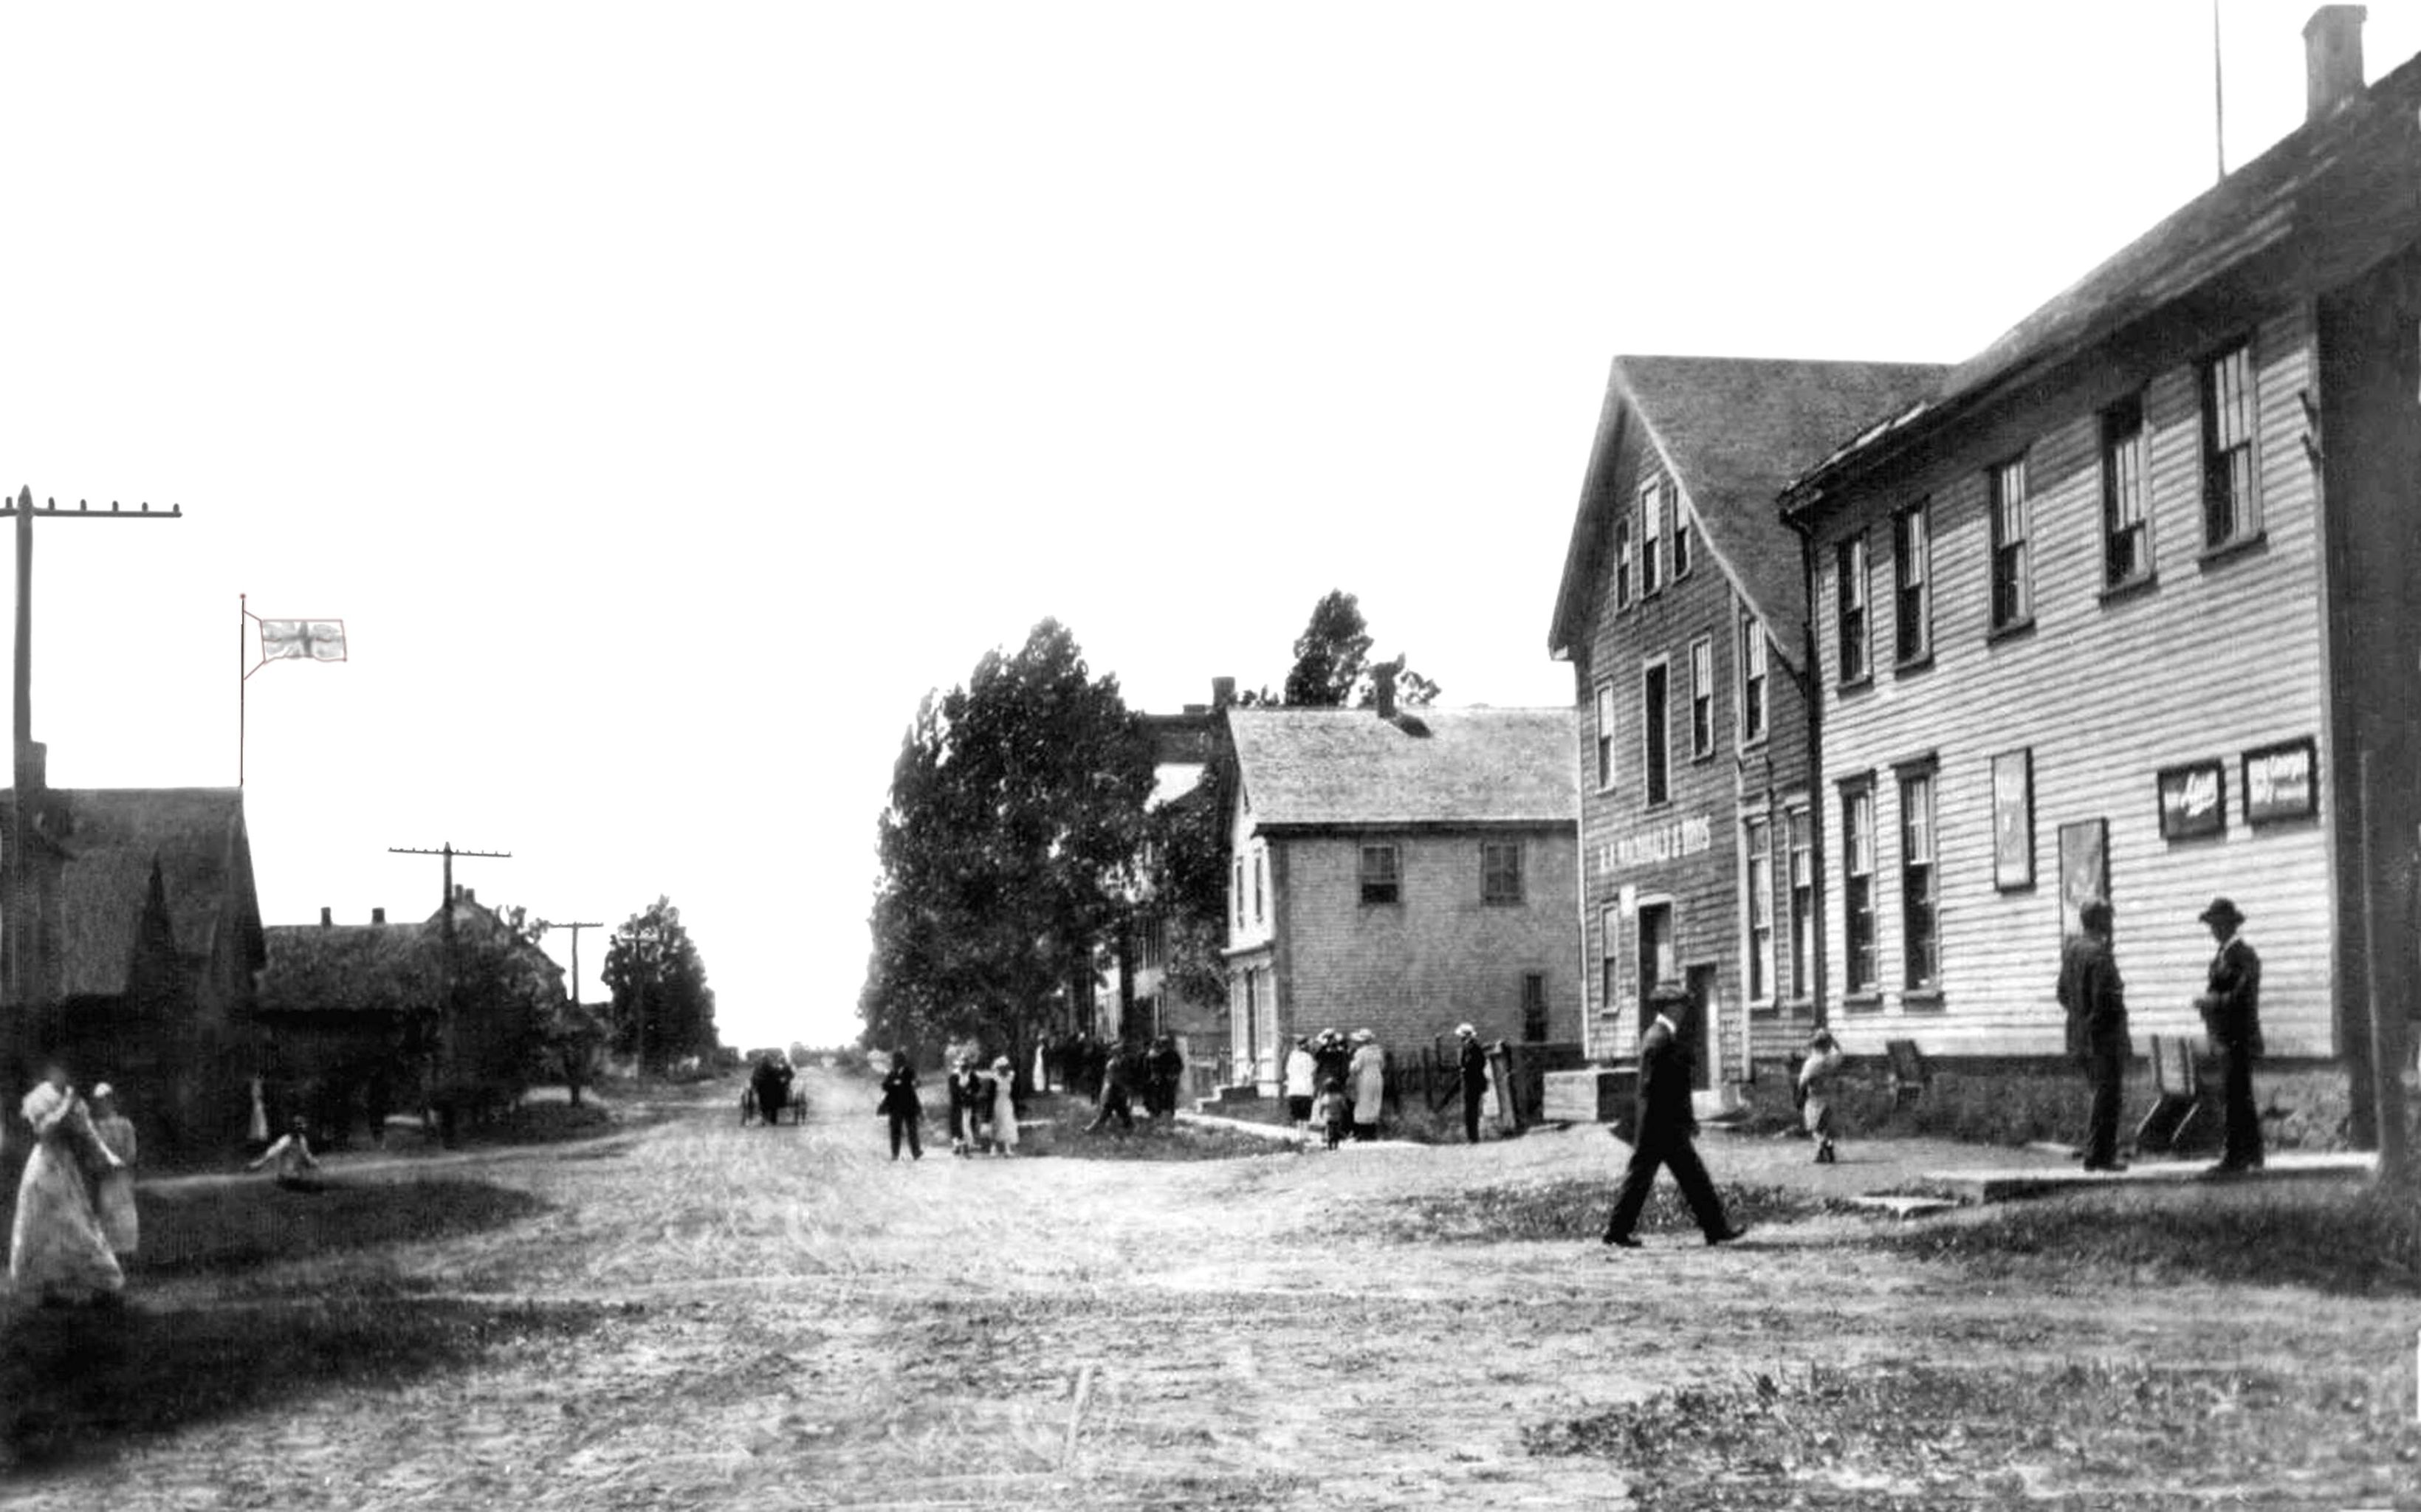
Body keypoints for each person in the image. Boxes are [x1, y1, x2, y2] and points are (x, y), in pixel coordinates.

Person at [1601, 988, 1745, 1248]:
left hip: (1659, 1125)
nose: (1684, 1009)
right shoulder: (1660, 1039)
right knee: (1664, 1178)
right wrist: (1683, 1119)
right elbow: (1660, 1087)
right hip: (1661, 1125)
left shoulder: (1661, 1036)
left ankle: (1715, 1229)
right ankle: (1616, 1232)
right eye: (1680, 1005)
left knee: (1685, 1177)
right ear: (1668, 1008)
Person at [9, 1065, 126, 1306]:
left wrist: (107, 1156)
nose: (62, 1074)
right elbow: (44, 1130)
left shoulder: (75, 1100)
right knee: (42, 1228)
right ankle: (48, 1287)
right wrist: (65, 1105)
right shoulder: (40, 1097)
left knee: (77, 1223)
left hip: (65, 1167)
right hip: (43, 1167)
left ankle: (103, 1284)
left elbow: (88, 1132)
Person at [2057, 897, 2130, 1172]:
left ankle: (2097, 1153)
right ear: (2098, 921)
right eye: (2108, 919)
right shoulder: (2099, 954)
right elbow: (2104, 1000)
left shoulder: (2073, 951)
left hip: (2078, 1037)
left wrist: (2079, 1016)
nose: (2111, 924)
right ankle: (2100, 1155)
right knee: (2108, 1095)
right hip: (2102, 1038)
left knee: (2098, 1093)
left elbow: (2062, 993)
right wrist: (2098, 1023)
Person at [2194, 897, 2264, 1174]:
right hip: (2224, 1036)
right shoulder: (2222, 955)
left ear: (2228, 926)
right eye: (2211, 925)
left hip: (2239, 1036)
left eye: (2216, 925)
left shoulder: (2243, 956)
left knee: (2237, 1096)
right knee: (2237, 1095)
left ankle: (2236, 1155)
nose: (2213, 930)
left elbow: (2242, 997)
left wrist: (2210, 1003)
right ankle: (2252, 1154)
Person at [89, 1082, 140, 1267]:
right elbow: (93, 1156)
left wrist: (121, 1163)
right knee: (107, 1218)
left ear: (113, 1101)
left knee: (124, 1219)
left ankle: (126, 1263)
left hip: (122, 1180)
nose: (103, 1105)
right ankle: (110, 1266)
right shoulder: (95, 1127)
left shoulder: (125, 1125)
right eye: (99, 1102)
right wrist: (103, 1165)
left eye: (106, 1101)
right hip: (105, 1181)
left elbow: (131, 1153)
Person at [1797, 1029, 1844, 1164]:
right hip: (1830, 1096)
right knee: (1826, 1126)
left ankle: (1824, 1145)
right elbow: (1840, 1053)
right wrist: (1834, 1041)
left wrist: (1800, 1095)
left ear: (1814, 1046)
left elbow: (1804, 1081)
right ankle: (1825, 1150)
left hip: (1815, 1098)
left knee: (1815, 1128)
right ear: (1828, 1045)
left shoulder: (1812, 1063)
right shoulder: (1832, 1060)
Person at [250, 1116, 325, 1192]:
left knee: (317, 1185)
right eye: (300, 1125)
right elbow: (272, 1153)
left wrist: (314, 1162)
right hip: (285, 1177)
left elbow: (306, 1154)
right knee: (314, 1188)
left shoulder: (302, 1139)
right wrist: (259, 1163)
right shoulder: (286, 1141)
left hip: (295, 1175)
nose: (303, 1127)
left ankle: (301, 1181)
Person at [877, 1052, 924, 1161]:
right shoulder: (892, 1073)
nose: (893, 1062)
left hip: (909, 1106)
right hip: (896, 1107)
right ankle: (895, 1154)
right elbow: (884, 1086)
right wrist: (894, 1084)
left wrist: (913, 1084)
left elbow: (917, 1083)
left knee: (912, 1131)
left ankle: (916, 1152)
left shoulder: (909, 1072)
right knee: (896, 1131)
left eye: (895, 1060)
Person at [1087, 1042, 1136, 1135]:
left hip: (1118, 1092)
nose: (1122, 1053)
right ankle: (1091, 1129)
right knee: (1108, 1113)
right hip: (1113, 1091)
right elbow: (1114, 1078)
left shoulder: (1120, 1062)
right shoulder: (1112, 1064)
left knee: (1121, 1113)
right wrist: (1125, 1088)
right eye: (1120, 1051)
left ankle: (1092, 1129)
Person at [1347, 1030, 1385, 1142]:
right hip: (1377, 1078)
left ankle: (1362, 1133)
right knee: (1375, 1103)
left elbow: (1356, 1067)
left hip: (1365, 1079)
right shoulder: (1378, 1051)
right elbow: (1382, 1066)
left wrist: (1351, 1064)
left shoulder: (1361, 1052)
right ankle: (1372, 1132)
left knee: (1363, 1103)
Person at [1456, 1023, 1488, 1144]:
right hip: (1469, 1083)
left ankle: (1473, 1138)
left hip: (1473, 1083)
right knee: (1469, 1111)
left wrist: (1466, 1069)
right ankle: (1471, 1137)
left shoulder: (1474, 1047)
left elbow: (1477, 1063)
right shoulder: (1467, 1047)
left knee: (1472, 1110)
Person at [947, 1054, 981, 1156]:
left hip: (967, 1104)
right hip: (956, 1104)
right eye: (962, 1066)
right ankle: (957, 1145)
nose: (964, 1068)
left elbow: (977, 1087)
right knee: (956, 1125)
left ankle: (966, 1146)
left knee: (966, 1124)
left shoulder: (972, 1075)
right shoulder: (954, 1076)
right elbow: (953, 1090)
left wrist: (970, 1091)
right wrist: (964, 1092)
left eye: (966, 1066)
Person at [1282, 1037, 1317, 1133]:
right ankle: (1305, 1133)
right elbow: (1312, 1071)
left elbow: (1288, 1071)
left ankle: (1299, 1133)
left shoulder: (1292, 1057)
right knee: (1306, 1113)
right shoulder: (1309, 1057)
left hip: (1294, 1088)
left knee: (1297, 1113)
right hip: (1306, 1088)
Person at [987, 1056, 1020, 1156]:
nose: (1004, 1070)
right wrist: (990, 1109)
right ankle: (993, 1147)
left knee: (1008, 1124)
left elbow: (1014, 1093)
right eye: (1002, 1068)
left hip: (1007, 1103)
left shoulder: (1011, 1077)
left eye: (1006, 1067)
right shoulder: (995, 1078)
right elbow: (991, 1094)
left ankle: (1007, 1148)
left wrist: (1016, 1106)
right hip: (997, 1103)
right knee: (996, 1124)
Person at [1145, 1036, 1185, 1119]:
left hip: (1168, 1079)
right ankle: (1161, 1112)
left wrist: (1174, 1074)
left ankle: (1166, 1112)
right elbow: (1155, 1067)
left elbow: (1180, 1066)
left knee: (1167, 1096)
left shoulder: (1170, 1054)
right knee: (1162, 1096)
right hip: (1163, 1079)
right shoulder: (1159, 1054)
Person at [1314, 1076, 1350, 1150]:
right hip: (1338, 1117)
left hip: (1328, 1117)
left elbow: (1322, 1107)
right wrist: (1345, 1111)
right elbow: (1344, 1107)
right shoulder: (1339, 1097)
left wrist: (1321, 1114)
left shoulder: (1325, 1097)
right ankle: (1336, 1145)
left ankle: (1329, 1145)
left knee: (1329, 1130)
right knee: (1337, 1130)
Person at [750, 1055, 787, 1127]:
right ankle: (773, 1120)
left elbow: (754, 1078)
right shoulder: (772, 1068)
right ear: (769, 1061)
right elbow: (777, 1077)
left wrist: (755, 1087)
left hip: (762, 1089)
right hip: (772, 1090)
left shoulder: (758, 1069)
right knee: (773, 1105)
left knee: (763, 1105)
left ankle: (764, 1120)